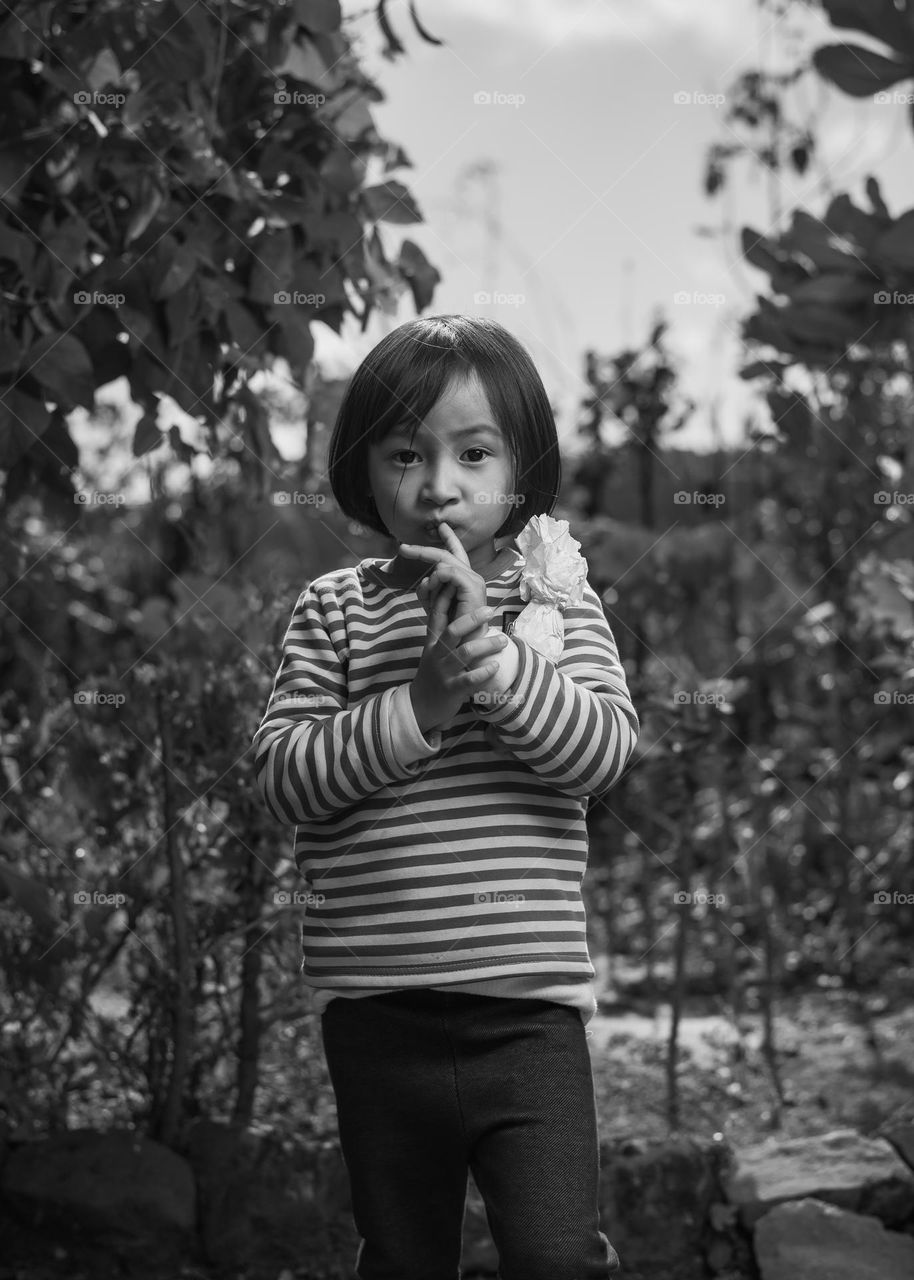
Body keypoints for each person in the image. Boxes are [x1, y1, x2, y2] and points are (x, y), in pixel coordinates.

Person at [252, 315, 639, 1279]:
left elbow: (602, 755)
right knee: (403, 1256)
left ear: (520, 471)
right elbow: (284, 775)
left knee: (559, 1257)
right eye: (403, 455)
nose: (439, 486)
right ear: (363, 471)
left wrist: (501, 666)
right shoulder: (334, 609)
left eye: (473, 452)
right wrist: (422, 701)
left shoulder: (555, 599)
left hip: (529, 1016)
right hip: (378, 1012)